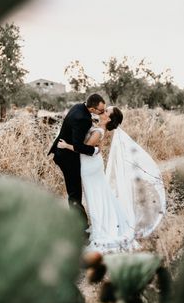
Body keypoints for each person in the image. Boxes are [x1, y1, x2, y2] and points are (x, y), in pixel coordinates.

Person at [57, 106, 166, 253]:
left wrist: (65, 145)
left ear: (108, 118)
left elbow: (83, 149)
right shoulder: (97, 128)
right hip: (91, 164)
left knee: (96, 196)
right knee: (98, 194)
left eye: (107, 111)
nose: (104, 111)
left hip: (90, 167)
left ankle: (104, 227)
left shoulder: (98, 131)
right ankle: (105, 223)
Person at [49, 93, 106, 231]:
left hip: (63, 153)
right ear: (92, 109)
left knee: (74, 192)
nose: (103, 112)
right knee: (74, 194)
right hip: (67, 157)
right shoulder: (83, 118)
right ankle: (81, 229)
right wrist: (95, 151)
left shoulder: (78, 107)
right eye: (101, 111)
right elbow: (79, 146)